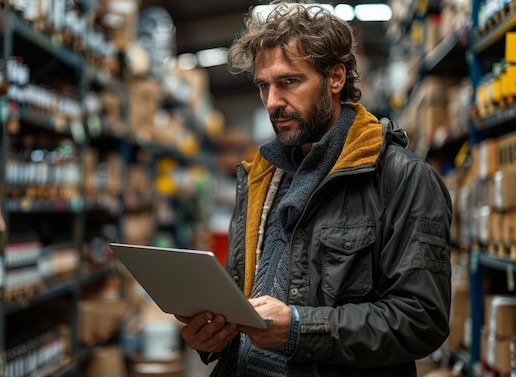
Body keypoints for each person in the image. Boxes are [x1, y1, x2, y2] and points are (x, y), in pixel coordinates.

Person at [174, 1, 453, 376]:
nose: (273, 102)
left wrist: (299, 329)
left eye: (289, 81)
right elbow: (247, 299)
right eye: (263, 86)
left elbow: (421, 321)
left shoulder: (401, 178)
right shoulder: (261, 178)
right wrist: (216, 335)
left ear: (335, 78)